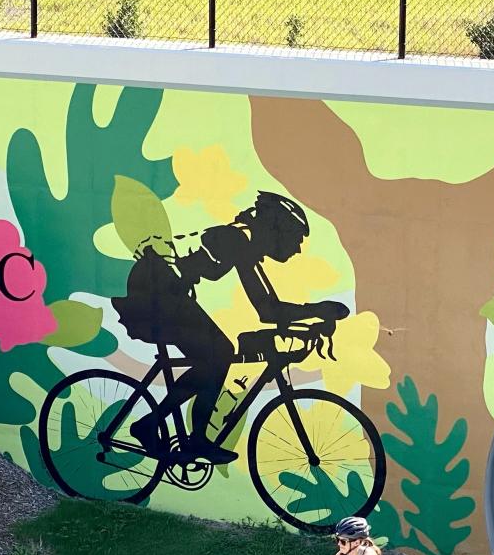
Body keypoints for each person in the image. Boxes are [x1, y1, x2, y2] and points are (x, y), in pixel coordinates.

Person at [112, 191, 348, 465]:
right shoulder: (238, 239)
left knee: (216, 355)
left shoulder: (245, 243)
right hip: (155, 291)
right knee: (219, 353)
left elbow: (268, 309)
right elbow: (267, 309)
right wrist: (317, 310)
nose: (296, 249)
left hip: (166, 290)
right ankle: (171, 431)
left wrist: (312, 316)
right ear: (277, 230)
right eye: (295, 239)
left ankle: (164, 428)